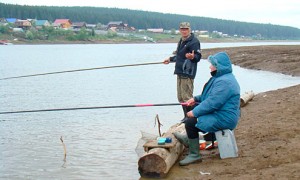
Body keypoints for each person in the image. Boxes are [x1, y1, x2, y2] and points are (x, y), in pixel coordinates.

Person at [174, 52, 240, 166]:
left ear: (219, 66)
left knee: (190, 122)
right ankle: (190, 139)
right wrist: (195, 99)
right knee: (193, 109)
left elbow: (213, 103)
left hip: (225, 118)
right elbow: (210, 96)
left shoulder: (224, 82)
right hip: (221, 113)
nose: (210, 67)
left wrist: (194, 112)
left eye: (212, 64)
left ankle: (194, 154)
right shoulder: (221, 78)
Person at [163, 22, 202, 123]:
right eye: (182, 29)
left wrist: (193, 57)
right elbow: (180, 56)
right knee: (180, 97)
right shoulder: (181, 40)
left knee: (187, 98)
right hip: (180, 72)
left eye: (186, 29)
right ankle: (186, 116)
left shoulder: (194, 41)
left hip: (188, 73)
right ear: (180, 30)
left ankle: (191, 117)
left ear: (189, 30)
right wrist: (170, 59)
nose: (184, 31)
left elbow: (198, 57)